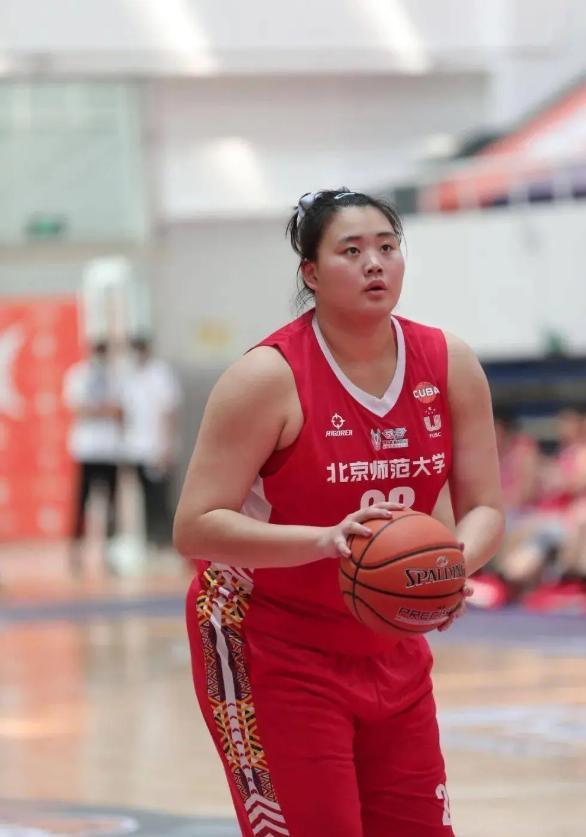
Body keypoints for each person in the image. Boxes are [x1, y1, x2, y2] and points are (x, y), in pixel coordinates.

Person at [174, 188, 504, 836]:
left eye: (387, 247)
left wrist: (444, 569)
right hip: (268, 639)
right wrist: (325, 541)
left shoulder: (449, 362)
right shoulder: (267, 377)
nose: (374, 262)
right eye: (351, 251)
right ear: (312, 273)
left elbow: (487, 506)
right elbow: (195, 525)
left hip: (388, 638)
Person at [63, 339, 123, 575]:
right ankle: (76, 551)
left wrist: (98, 409)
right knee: (82, 503)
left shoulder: (115, 377)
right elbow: (78, 408)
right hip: (86, 449)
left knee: (111, 505)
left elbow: (119, 411)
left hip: (110, 450)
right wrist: (102, 409)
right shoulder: (78, 375)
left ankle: (110, 552)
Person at [120, 335, 182, 551]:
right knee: (145, 499)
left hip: (157, 448)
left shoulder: (160, 373)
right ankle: (150, 540)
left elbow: (169, 412)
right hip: (136, 448)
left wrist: (166, 447)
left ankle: (166, 541)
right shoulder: (130, 376)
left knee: (160, 498)